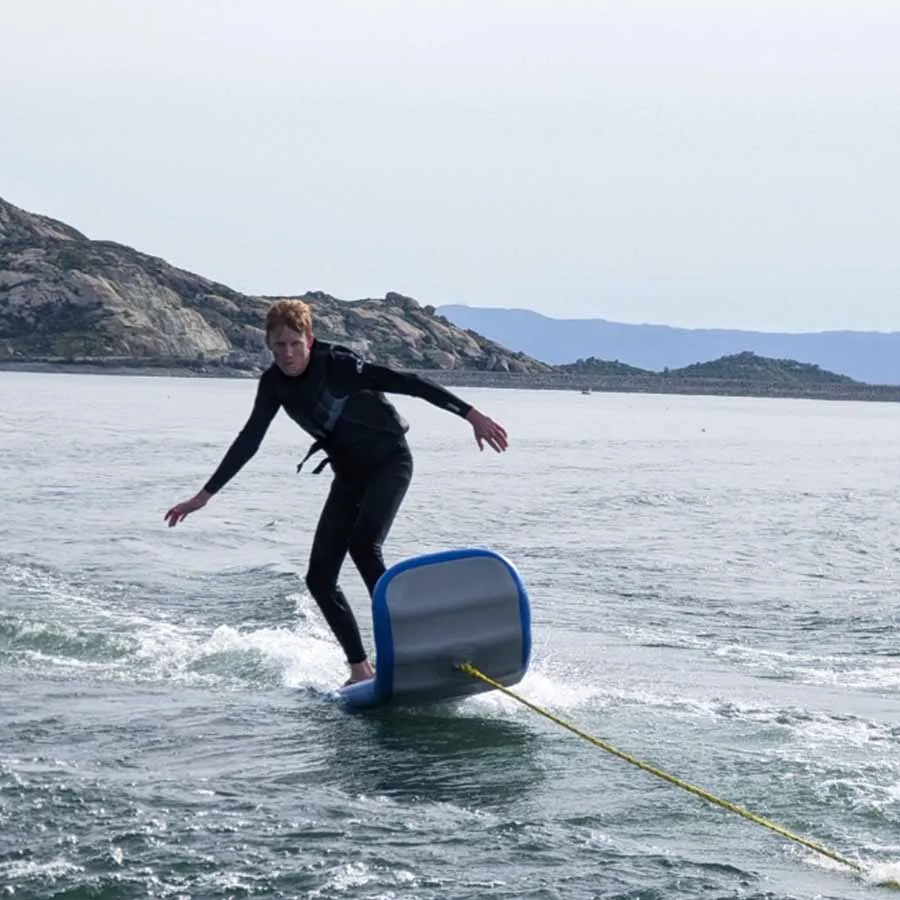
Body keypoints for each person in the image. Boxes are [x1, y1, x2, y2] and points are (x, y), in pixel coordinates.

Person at [164, 299, 508, 684]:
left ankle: (417, 640)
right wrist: (204, 495)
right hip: (348, 475)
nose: (288, 354)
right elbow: (249, 440)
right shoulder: (273, 384)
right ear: (268, 345)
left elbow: (405, 382)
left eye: (295, 343)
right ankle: (360, 669)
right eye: (279, 346)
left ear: (309, 339)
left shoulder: (339, 366)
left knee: (364, 545)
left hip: (389, 463)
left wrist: (471, 414)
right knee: (319, 578)